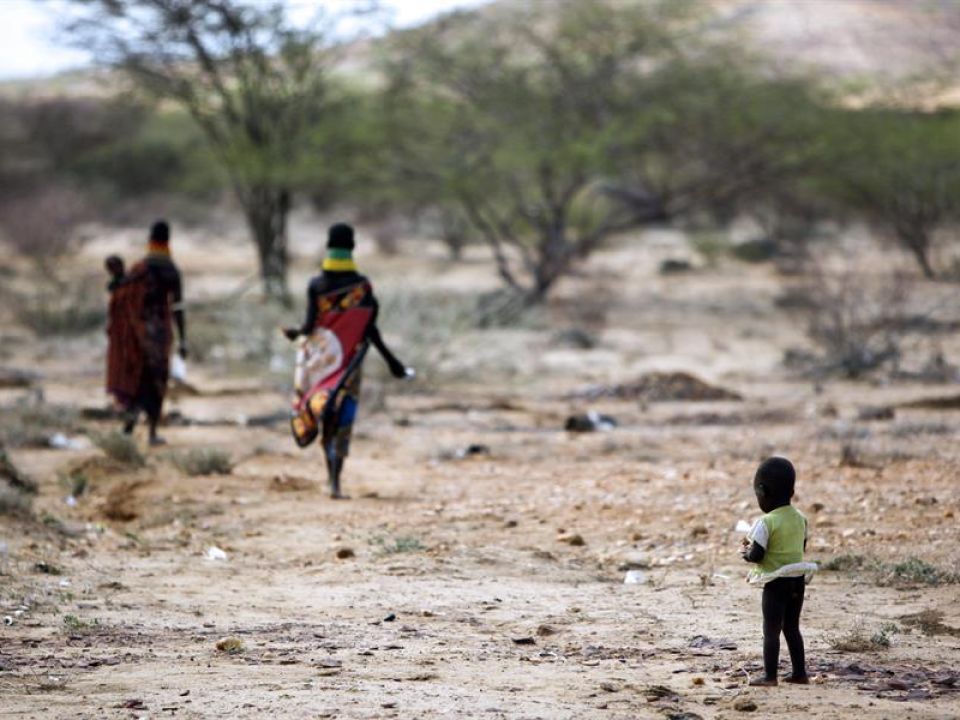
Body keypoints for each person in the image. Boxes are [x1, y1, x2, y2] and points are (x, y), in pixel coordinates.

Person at [283, 222, 411, 499]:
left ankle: (328, 469)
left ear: (328, 247)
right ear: (352, 247)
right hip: (349, 364)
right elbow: (370, 329)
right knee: (343, 418)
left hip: (319, 363)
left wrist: (294, 334)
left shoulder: (316, 285)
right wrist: (393, 362)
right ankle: (334, 482)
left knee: (322, 410)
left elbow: (308, 327)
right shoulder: (362, 288)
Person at [105, 220, 187, 446]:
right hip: (160, 334)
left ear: (150, 240)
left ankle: (128, 430)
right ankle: (151, 432)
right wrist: (183, 340)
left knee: (137, 378)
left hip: (137, 334)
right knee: (157, 380)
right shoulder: (171, 270)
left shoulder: (139, 269)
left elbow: (119, 292)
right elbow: (178, 308)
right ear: (168, 241)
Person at [740, 456, 816, 687]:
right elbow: (800, 548)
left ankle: (770, 676)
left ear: (762, 491)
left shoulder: (766, 522)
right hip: (797, 580)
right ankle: (799, 673)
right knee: (792, 628)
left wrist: (746, 553)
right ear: (792, 491)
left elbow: (758, 555)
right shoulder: (800, 519)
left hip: (776, 583)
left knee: (771, 630)